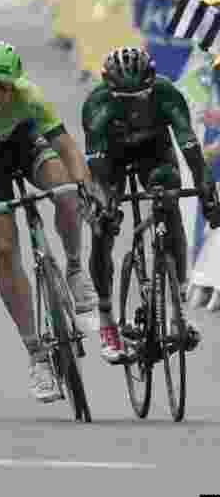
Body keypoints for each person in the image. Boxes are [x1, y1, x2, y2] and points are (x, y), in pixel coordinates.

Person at [0, 40, 97, 404]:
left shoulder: (29, 96)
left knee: (67, 191)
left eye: (4, 87)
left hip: (23, 147)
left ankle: (74, 269)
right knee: (6, 248)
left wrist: (84, 184)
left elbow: (68, 147)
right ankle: (37, 355)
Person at [82, 46, 217, 362]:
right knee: (101, 229)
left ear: (152, 82)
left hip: (154, 155)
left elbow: (188, 144)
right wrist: (106, 202)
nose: (133, 106)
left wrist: (205, 188)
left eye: (141, 96)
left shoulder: (167, 93)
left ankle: (178, 309)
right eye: (124, 100)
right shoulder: (96, 105)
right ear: (108, 87)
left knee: (169, 202)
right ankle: (107, 321)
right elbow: (97, 166)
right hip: (110, 161)